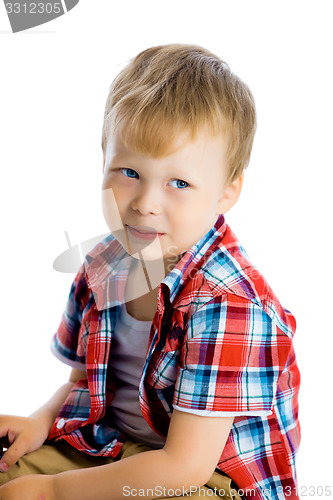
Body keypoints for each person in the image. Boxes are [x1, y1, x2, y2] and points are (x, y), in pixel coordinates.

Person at [0, 44, 300, 500]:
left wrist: (55, 491)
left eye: (179, 183)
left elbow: (184, 467)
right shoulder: (105, 263)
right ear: (103, 158)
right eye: (128, 171)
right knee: (10, 476)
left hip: (207, 480)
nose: (145, 204)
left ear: (226, 192)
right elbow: (84, 380)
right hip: (110, 445)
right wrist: (40, 422)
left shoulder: (230, 305)